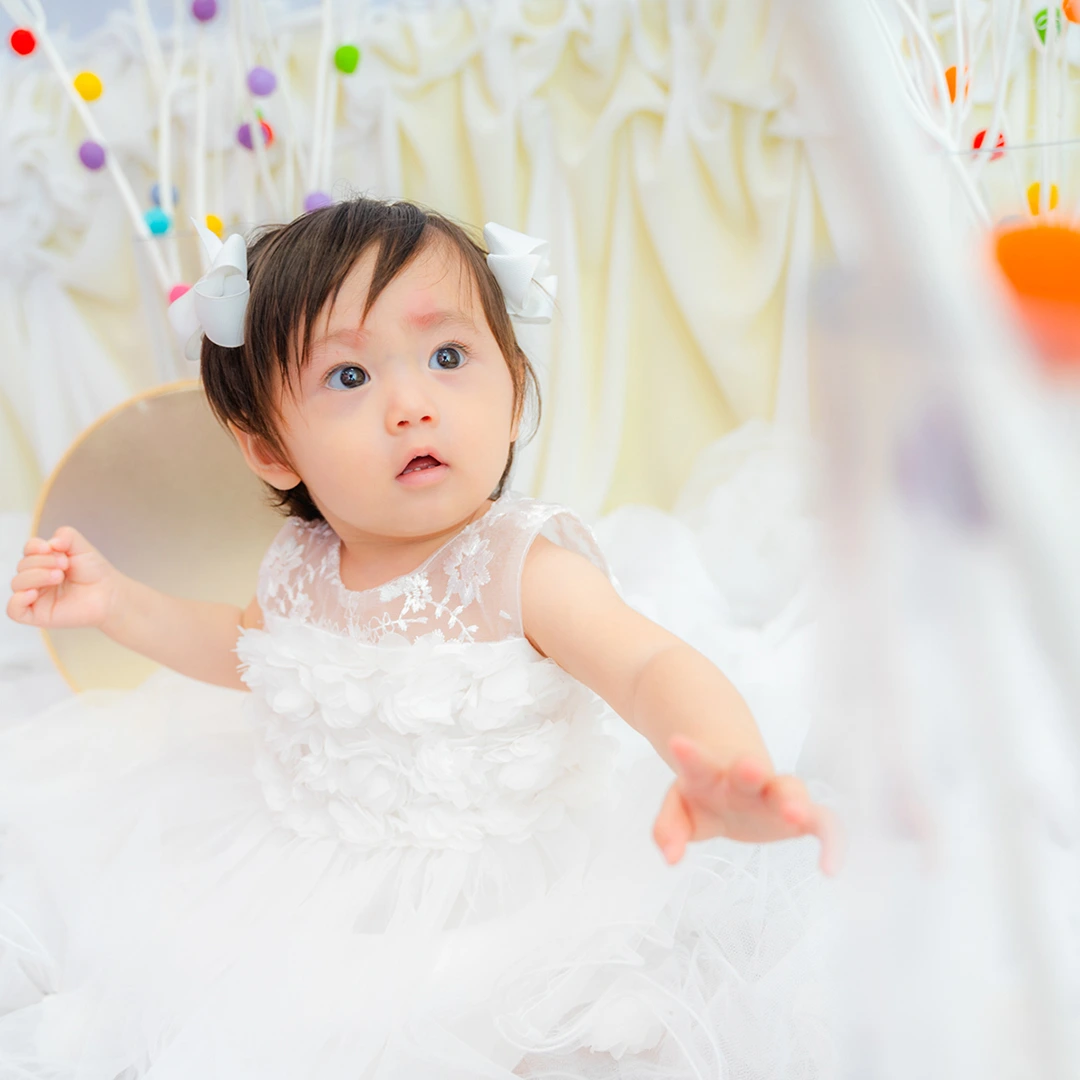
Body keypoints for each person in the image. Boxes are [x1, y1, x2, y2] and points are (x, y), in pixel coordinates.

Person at [2, 197, 837, 1078]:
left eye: (447, 357)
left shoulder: (522, 567)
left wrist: (723, 761)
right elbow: (246, 650)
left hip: (510, 901)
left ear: (513, 390)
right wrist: (119, 603)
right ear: (271, 451)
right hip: (313, 894)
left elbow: (647, 664)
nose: (411, 406)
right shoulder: (298, 565)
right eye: (349, 376)